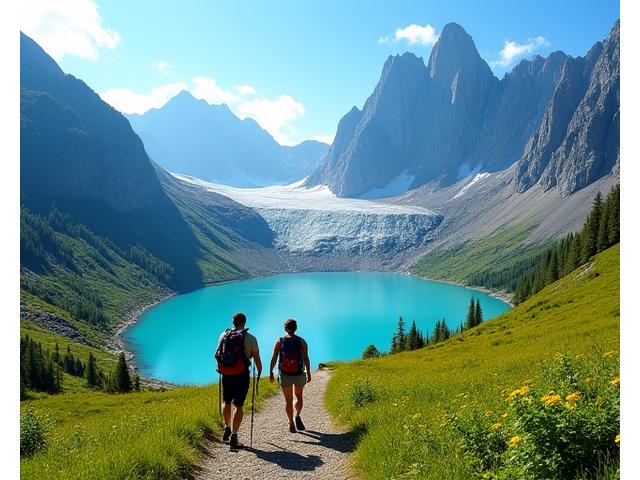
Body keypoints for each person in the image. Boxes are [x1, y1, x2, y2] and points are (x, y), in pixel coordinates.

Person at [215, 312, 262, 448]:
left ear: (233, 322)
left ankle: (226, 426)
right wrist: (259, 372)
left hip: (226, 373)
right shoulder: (251, 338)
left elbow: (217, 353)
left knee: (226, 401)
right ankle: (234, 435)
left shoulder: (224, 335)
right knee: (239, 405)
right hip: (242, 375)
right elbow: (257, 360)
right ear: (245, 322)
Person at [269, 318, 311, 433]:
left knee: (288, 401)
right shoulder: (301, 341)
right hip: (298, 373)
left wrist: (271, 372)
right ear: (296, 328)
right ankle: (297, 416)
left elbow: (274, 358)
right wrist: (308, 372)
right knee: (299, 396)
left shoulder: (280, 341)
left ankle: (291, 422)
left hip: (285, 374)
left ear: (285, 328)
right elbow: (306, 359)